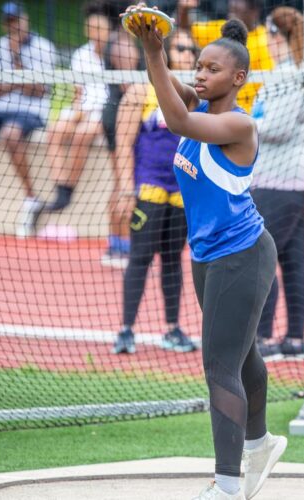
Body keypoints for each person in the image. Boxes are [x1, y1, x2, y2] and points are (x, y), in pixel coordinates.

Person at [124, 4, 287, 498]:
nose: (200, 73)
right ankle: (259, 446)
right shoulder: (199, 103)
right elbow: (175, 88)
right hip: (207, 256)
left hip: (244, 253)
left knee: (218, 365)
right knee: (242, 356)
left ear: (238, 78)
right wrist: (152, 33)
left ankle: (227, 483)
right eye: (199, 65)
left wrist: (151, 51)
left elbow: (173, 116)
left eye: (212, 68)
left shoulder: (239, 126)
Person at [112, 28, 198, 354]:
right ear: (167, 52)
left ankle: (173, 328)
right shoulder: (139, 92)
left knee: (174, 259)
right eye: (181, 48)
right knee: (140, 257)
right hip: (148, 188)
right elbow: (122, 143)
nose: (187, 54)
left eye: (192, 49)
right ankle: (126, 330)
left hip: (181, 191)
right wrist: (123, 188)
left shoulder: (193, 95)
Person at [250, 7, 304, 357]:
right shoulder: (292, 73)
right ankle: (295, 338)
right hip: (293, 180)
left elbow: (277, 127)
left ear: (279, 37)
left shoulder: (289, 74)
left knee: (262, 257)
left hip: (279, 180)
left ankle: (261, 335)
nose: (267, 44)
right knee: (292, 259)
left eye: (270, 37)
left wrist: (238, 124)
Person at [0, 1, 56, 237]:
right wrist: (19, 81)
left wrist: (16, 62)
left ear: (25, 20)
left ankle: (31, 199)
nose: (14, 26)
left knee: (11, 134)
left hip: (31, 110)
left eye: (17, 20)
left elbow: (39, 89)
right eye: (9, 22)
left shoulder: (44, 47)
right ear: (4, 24)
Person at [44, 1, 110, 215]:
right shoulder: (81, 54)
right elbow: (77, 93)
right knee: (55, 129)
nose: (95, 33)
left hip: (104, 111)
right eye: (91, 29)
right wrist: (77, 112)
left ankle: (68, 190)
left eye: (99, 29)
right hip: (83, 109)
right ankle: (60, 186)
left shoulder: (117, 53)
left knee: (82, 134)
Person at [102, 0, 146, 268]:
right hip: (118, 113)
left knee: (121, 181)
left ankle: (116, 243)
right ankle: (119, 245)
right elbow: (128, 80)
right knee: (123, 182)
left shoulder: (124, 38)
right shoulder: (121, 40)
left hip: (118, 112)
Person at [177, 0, 275, 113]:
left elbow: (268, 82)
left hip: (250, 112)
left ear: (254, 10)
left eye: (213, 69)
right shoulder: (222, 28)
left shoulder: (265, 40)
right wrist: (184, 9)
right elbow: (187, 28)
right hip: (215, 109)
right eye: (199, 68)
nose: (232, 4)